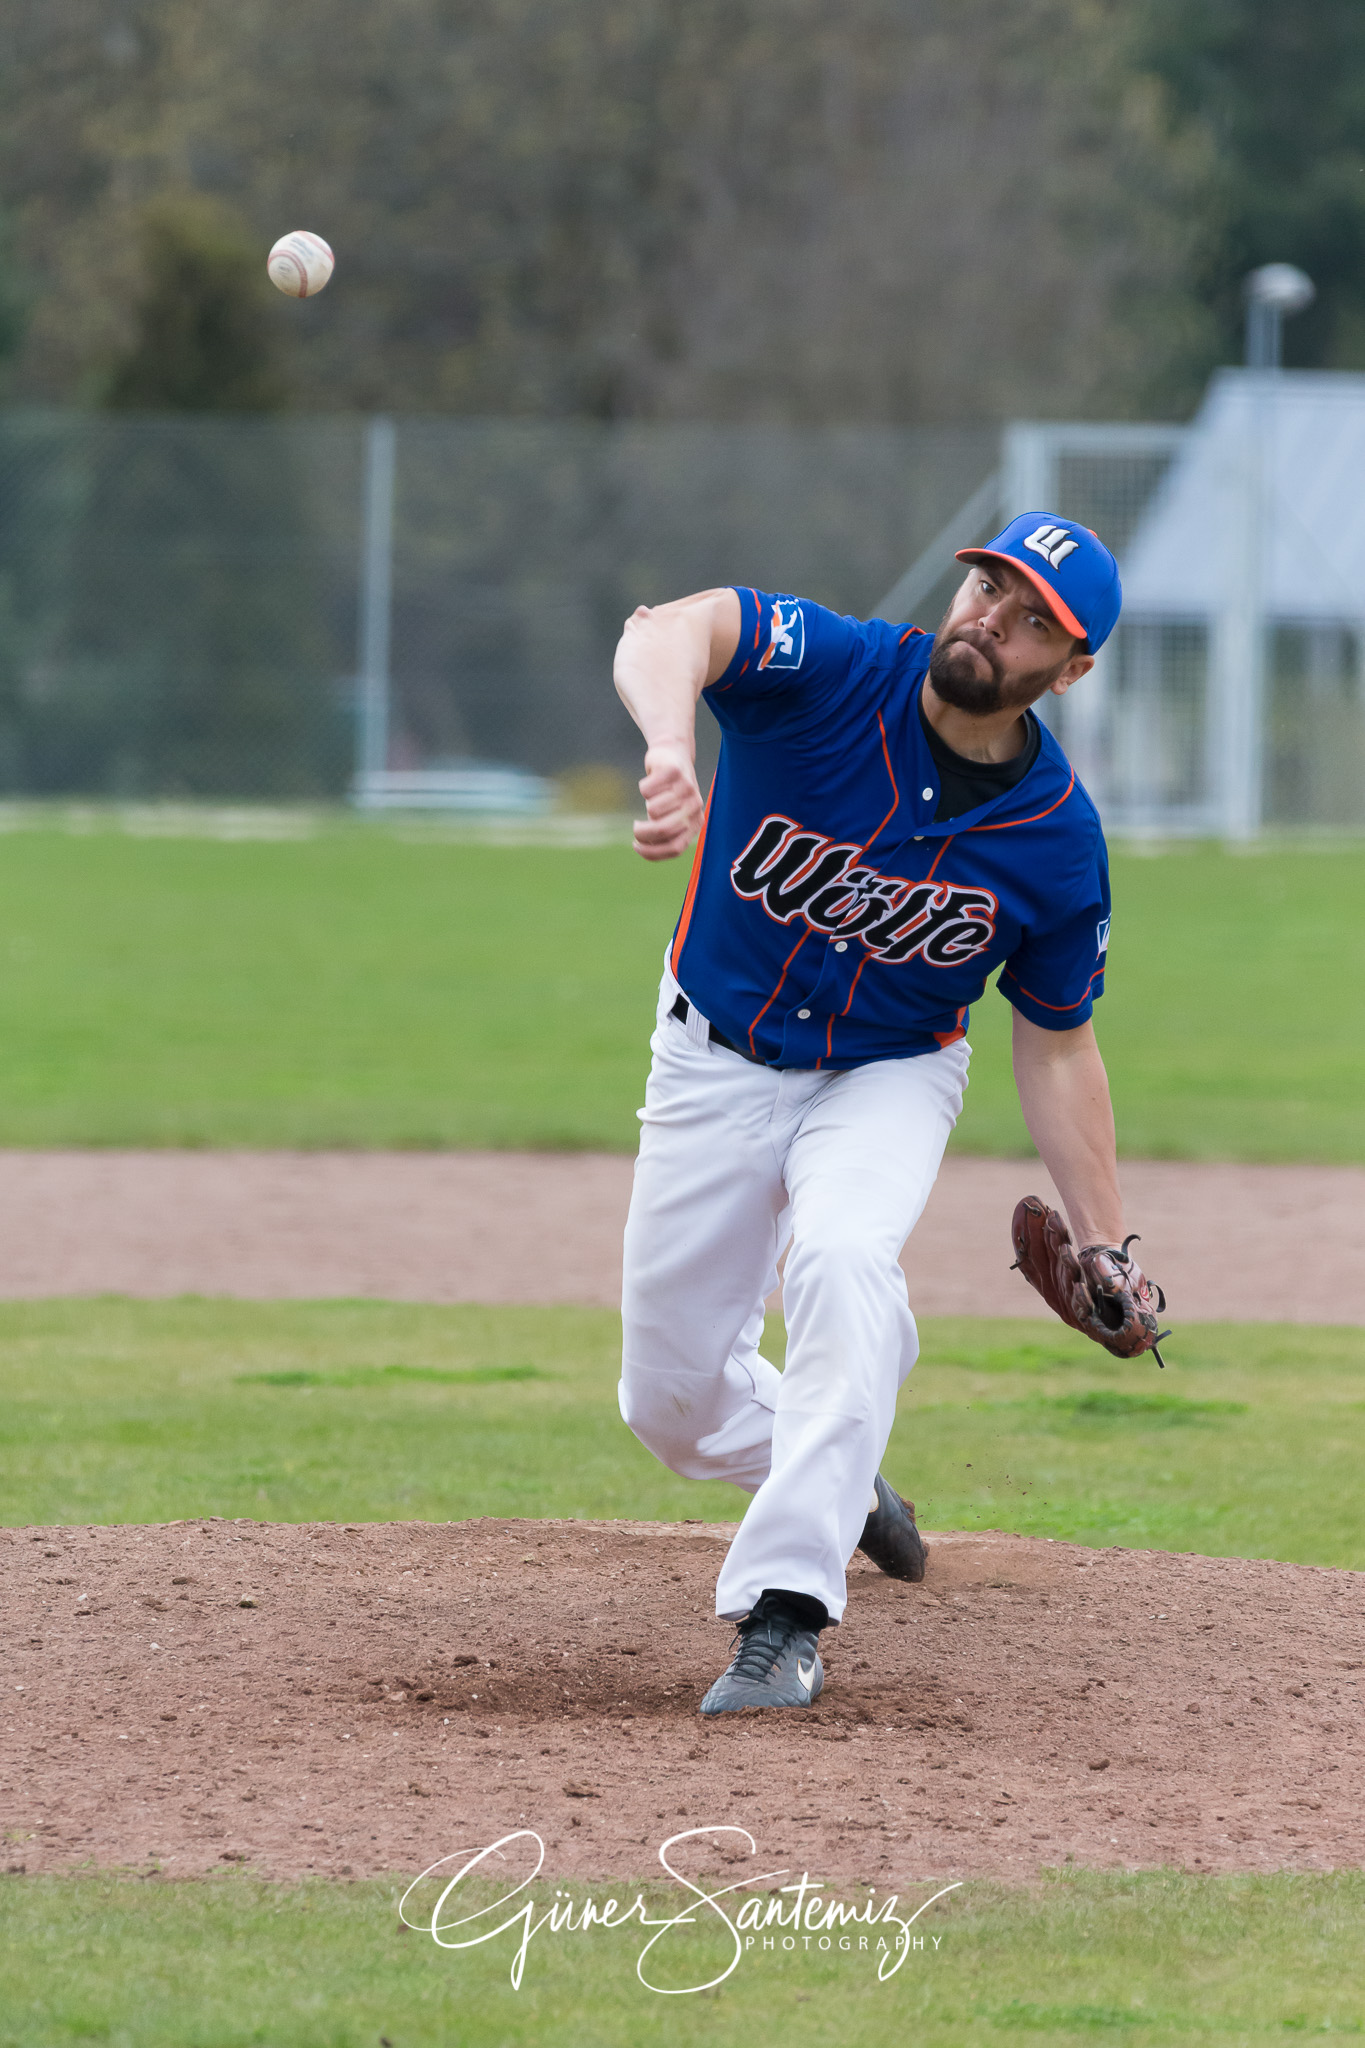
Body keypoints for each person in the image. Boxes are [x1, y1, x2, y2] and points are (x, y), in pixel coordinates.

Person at [613, 513, 1132, 1715]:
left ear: (1072, 666)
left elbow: (1058, 1042)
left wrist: (1107, 1239)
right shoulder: (837, 670)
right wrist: (669, 742)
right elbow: (671, 630)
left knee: (845, 1260)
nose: (992, 615)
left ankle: (784, 1615)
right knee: (671, 1404)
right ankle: (844, 1473)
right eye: (990, 584)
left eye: (1032, 617)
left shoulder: (1056, 842)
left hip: (890, 1071)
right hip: (711, 1056)